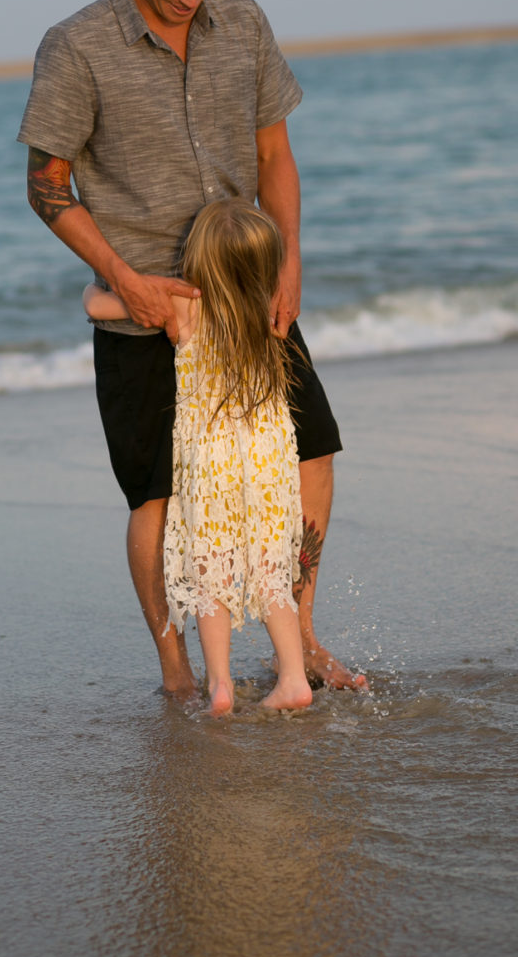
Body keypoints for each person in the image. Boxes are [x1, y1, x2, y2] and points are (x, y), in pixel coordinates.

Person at [17, 0, 365, 697]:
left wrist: (291, 259)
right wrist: (124, 280)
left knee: (310, 452)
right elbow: (47, 186)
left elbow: (275, 157)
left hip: (249, 296)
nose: (188, 0)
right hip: (149, 311)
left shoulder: (241, 23)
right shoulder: (76, 46)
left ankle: (300, 637)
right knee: (161, 496)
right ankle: (178, 667)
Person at [85, 199, 354, 714]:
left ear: (197, 263)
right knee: (271, 573)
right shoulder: (272, 315)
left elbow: (96, 308)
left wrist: (95, 283)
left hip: (208, 469)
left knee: (214, 574)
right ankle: (294, 677)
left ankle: (221, 687)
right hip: (270, 463)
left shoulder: (185, 307)